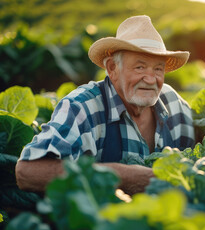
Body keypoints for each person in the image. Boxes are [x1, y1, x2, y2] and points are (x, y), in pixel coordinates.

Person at [15, 15, 195, 195]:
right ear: (112, 68)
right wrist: (122, 177)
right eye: (139, 67)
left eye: (158, 69)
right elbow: (28, 171)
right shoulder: (82, 107)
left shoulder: (175, 105)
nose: (150, 79)